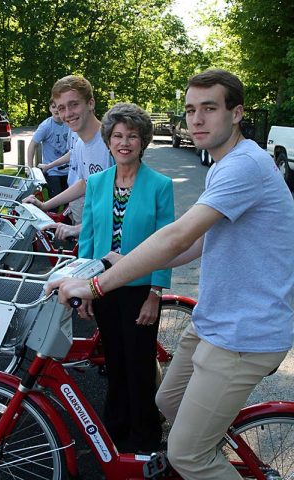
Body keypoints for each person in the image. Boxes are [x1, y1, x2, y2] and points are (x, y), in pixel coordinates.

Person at [47, 70, 294, 478]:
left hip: (243, 334)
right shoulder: (224, 164)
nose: (196, 120)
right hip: (214, 320)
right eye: (190, 110)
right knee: (167, 402)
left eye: (209, 109)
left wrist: (96, 283)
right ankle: (211, 445)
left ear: (237, 113)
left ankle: (202, 458)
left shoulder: (243, 166)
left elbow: (178, 236)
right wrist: (114, 263)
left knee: (186, 455)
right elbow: (199, 242)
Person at [76, 102, 174, 453]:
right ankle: (115, 431)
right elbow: (87, 240)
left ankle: (145, 435)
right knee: (114, 362)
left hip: (140, 290)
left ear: (143, 141)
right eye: (118, 135)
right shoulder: (98, 183)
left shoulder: (160, 185)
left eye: (132, 136)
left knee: (139, 364)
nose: (124, 142)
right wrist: (85, 287)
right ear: (108, 140)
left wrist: (155, 294)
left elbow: (168, 244)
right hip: (104, 286)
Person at [24, 75, 114, 237]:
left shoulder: (112, 143)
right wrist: (44, 205)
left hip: (113, 236)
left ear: (91, 103)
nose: (68, 113)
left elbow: (123, 200)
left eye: (74, 105)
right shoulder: (79, 145)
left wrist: (78, 229)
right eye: (61, 108)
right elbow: (84, 183)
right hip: (92, 224)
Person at [27, 98, 70, 204]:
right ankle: (50, 219)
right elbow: (32, 145)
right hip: (52, 170)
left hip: (69, 169)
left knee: (69, 204)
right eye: (53, 107)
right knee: (55, 201)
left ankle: (66, 221)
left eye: (59, 107)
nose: (56, 110)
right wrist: (29, 167)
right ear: (50, 108)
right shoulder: (46, 126)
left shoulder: (70, 123)